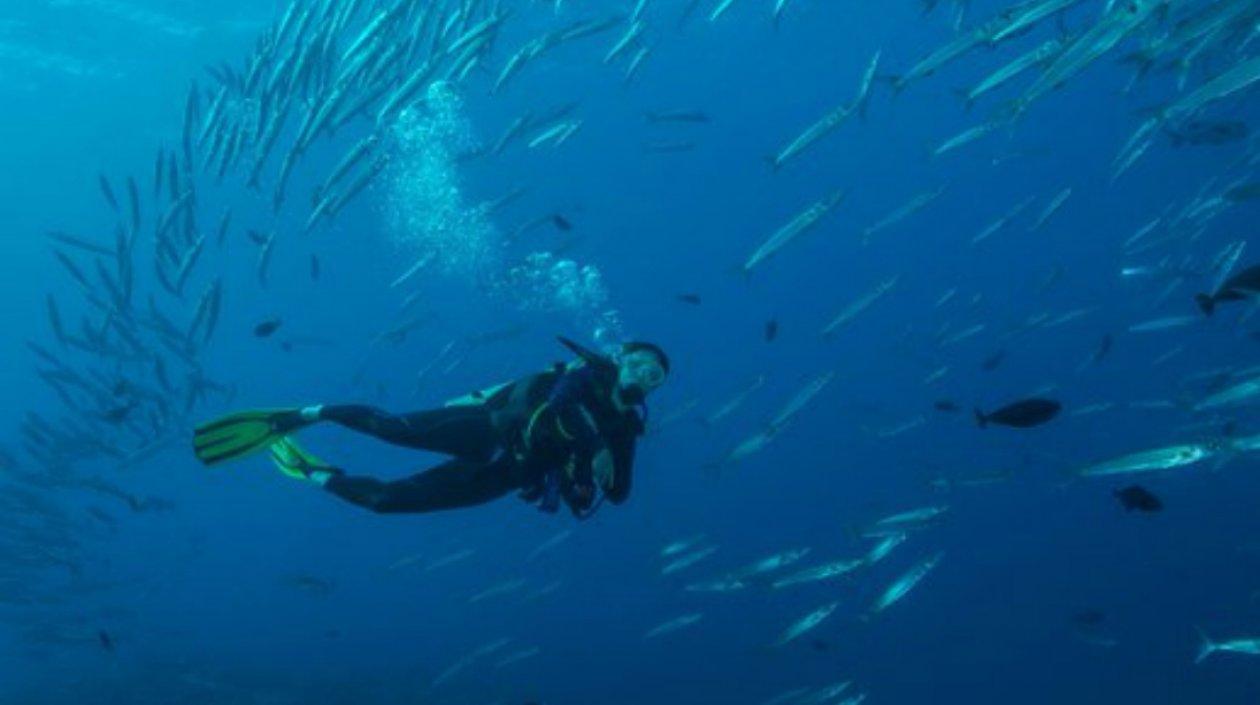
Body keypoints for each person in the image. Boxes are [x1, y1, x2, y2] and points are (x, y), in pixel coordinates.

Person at [193, 338, 669, 518]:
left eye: (656, 376)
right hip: (488, 430)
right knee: (389, 427)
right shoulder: (587, 374)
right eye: (643, 362)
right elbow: (563, 399)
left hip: (506, 474)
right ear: (623, 358)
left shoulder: (625, 430)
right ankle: (298, 416)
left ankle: (316, 472)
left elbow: (621, 492)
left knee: (385, 502)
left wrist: (595, 476)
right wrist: (593, 445)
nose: (647, 374)